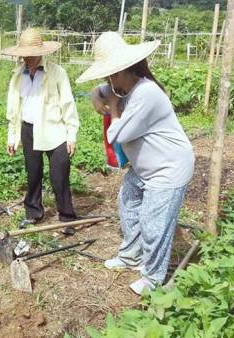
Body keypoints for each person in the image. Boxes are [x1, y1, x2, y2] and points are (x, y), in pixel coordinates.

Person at [76, 32, 195, 295]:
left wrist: (114, 107)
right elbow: (99, 93)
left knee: (155, 223)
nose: (108, 81)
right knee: (128, 204)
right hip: (145, 169)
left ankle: (152, 278)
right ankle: (131, 255)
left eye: (110, 75)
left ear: (123, 71)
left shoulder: (146, 94)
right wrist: (98, 95)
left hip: (168, 168)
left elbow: (117, 135)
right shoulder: (124, 87)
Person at [2, 28, 80, 233]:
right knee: (33, 172)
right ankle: (33, 211)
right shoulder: (18, 75)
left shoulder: (57, 73)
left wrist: (71, 134)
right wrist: (12, 136)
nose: (26, 58)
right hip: (28, 129)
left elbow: (68, 104)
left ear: (40, 52)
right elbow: (14, 107)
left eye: (30, 53)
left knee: (59, 174)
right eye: (23, 54)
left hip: (55, 130)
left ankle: (67, 218)